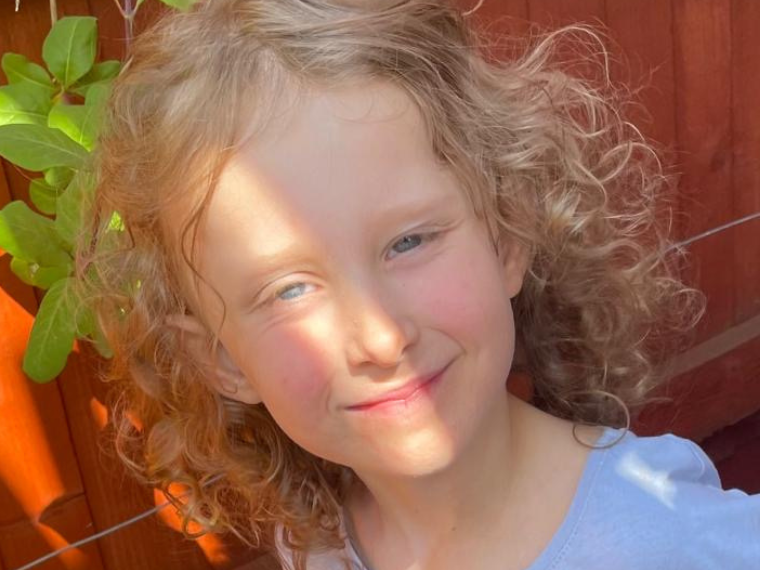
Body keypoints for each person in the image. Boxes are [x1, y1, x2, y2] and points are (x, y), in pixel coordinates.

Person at [77, 0, 760, 568]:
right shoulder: (322, 541)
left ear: (506, 234)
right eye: (288, 289)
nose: (379, 336)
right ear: (222, 360)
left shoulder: (674, 536)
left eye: (409, 241)